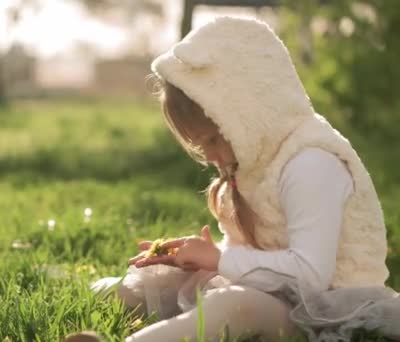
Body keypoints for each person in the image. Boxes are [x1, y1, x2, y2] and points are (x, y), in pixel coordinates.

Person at [66, 16, 400, 342]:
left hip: (326, 309)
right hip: (277, 294)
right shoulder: (254, 162)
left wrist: (220, 260)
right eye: (199, 144)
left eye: (212, 139)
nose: (208, 156)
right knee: (157, 280)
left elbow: (311, 276)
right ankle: (80, 293)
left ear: (250, 112)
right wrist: (205, 254)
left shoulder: (311, 164)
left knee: (233, 307)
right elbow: (263, 251)